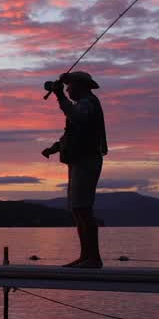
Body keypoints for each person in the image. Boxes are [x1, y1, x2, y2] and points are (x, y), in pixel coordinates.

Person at [42, 71, 107, 268]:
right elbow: (72, 132)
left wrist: (59, 96)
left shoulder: (88, 103)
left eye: (70, 86)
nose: (68, 89)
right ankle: (86, 256)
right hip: (79, 160)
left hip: (87, 160)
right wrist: (54, 148)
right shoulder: (82, 105)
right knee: (78, 209)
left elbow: (77, 118)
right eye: (66, 86)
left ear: (81, 86)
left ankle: (93, 258)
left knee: (84, 209)